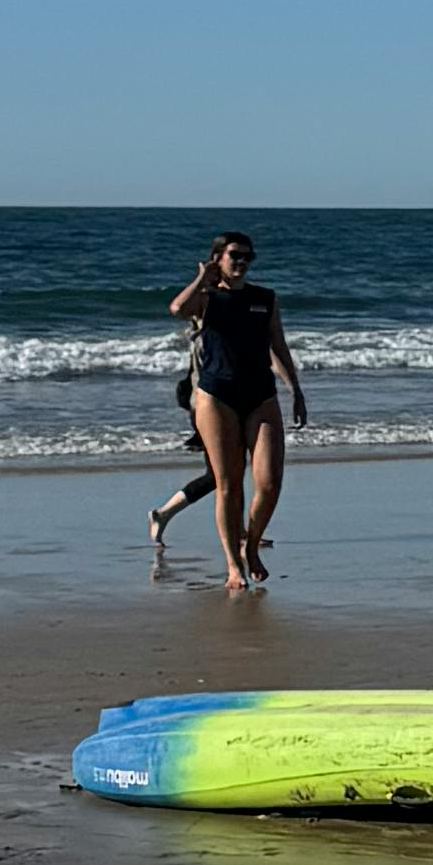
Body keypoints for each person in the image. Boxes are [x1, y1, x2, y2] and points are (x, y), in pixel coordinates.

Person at [168, 230, 308, 596]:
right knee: (228, 484)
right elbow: (177, 309)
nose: (242, 261)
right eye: (235, 255)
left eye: (248, 256)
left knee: (270, 483)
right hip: (217, 397)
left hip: (261, 395)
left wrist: (296, 391)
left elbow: (278, 346)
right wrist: (202, 277)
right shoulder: (206, 298)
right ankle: (233, 565)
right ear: (219, 258)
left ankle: (252, 545)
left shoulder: (265, 298)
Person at [145, 345, 219, 573]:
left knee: (224, 474)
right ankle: (164, 513)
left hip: (209, 407)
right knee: (218, 475)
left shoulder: (205, 334)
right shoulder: (207, 335)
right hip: (211, 408)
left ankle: (240, 531)